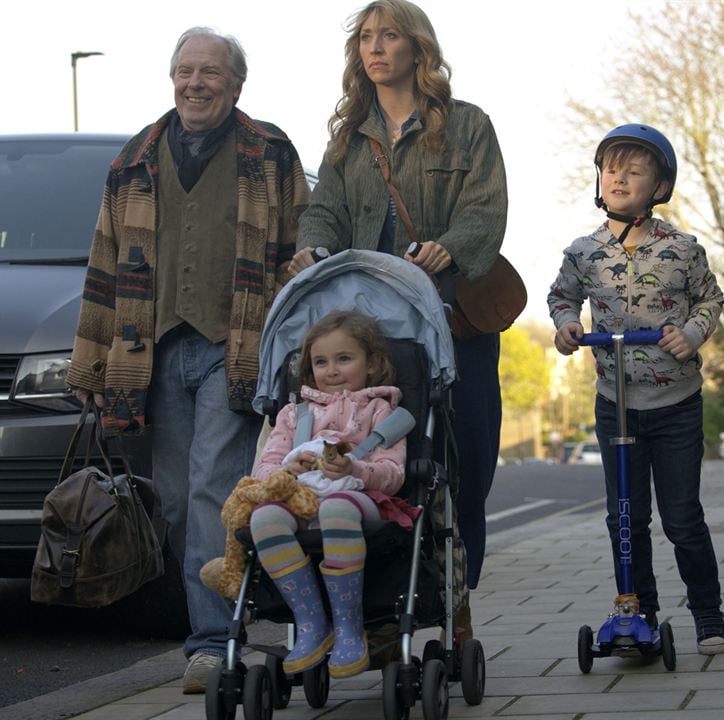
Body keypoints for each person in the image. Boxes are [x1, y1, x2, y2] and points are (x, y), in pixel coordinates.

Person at [65, 26, 311, 692]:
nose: (194, 83)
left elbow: (303, 250)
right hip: (151, 353)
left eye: (209, 73)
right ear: (171, 78)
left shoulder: (270, 153)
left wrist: (303, 347)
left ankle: (211, 643)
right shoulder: (135, 160)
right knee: (176, 501)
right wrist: (89, 366)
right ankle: (251, 599)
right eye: (184, 71)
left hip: (235, 349)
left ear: (236, 85)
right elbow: (104, 266)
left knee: (209, 493)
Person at [288, 0, 507, 641]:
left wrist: (451, 245)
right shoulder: (348, 139)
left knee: (463, 469)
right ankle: (390, 610)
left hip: (450, 319)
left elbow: (486, 210)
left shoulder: (468, 126)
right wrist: (311, 246)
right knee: (385, 462)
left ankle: (455, 605)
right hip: (375, 333)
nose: (376, 47)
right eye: (366, 38)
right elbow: (324, 210)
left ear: (418, 48)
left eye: (389, 36)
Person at [546, 124, 724, 655]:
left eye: (634, 171)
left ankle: (708, 615)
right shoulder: (584, 252)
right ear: (599, 182)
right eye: (611, 170)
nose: (619, 178)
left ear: (659, 186)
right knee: (625, 516)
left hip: (675, 405)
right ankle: (640, 613)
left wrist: (690, 332)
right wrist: (566, 326)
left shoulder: (682, 249)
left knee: (681, 518)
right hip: (615, 404)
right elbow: (561, 296)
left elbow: (709, 300)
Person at [248, 310, 408, 678]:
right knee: (264, 516)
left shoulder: (382, 411)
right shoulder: (294, 414)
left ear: (371, 365)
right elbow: (264, 469)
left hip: (357, 501)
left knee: (337, 507)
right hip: (302, 500)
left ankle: (349, 626)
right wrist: (290, 467)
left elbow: (393, 473)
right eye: (321, 362)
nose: (332, 370)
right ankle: (311, 623)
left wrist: (355, 468)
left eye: (344, 359)